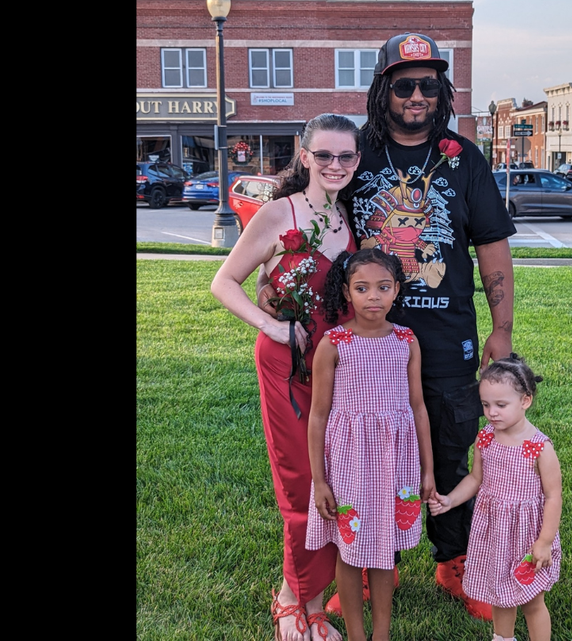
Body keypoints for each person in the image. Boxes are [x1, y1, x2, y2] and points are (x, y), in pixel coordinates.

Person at [255, 30, 516, 621]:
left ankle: (453, 560)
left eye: (429, 84)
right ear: (384, 90)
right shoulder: (355, 149)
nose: (417, 95)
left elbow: (493, 245)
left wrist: (502, 327)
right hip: (364, 333)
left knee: (451, 443)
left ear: (442, 90)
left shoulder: (461, 155)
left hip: (448, 331)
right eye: (405, 85)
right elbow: (300, 206)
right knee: (367, 446)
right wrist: (275, 275)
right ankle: (375, 556)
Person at [211, 113, 362, 641]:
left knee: (338, 477)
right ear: (305, 157)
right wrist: (272, 328)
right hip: (287, 366)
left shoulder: (351, 221)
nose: (335, 165)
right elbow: (224, 282)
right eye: (324, 155)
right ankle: (295, 601)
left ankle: (321, 591)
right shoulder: (278, 215)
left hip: (341, 371)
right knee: (301, 483)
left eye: (346, 156)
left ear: (357, 161)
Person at [305, 248, 436, 641]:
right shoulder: (334, 344)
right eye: (362, 288)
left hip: (396, 462)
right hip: (350, 464)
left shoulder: (406, 340)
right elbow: (318, 415)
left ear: (397, 289)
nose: (373, 296)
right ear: (347, 293)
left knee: (382, 550)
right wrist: (319, 479)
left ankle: (382, 635)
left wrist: (428, 470)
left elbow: (417, 406)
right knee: (350, 549)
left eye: (382, 287)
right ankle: (357, 636)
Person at [427, 354, 562, 641]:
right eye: (486, 405)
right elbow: (476, 479)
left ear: (525, 401)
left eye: (501, 405)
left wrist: (545, 542)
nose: (492, 412)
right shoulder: (486, 437)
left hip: (527, 536)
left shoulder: (539, 448)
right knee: (500, 595)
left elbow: (553, 496)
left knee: (532, 600)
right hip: (495, 534)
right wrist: (451, 500)